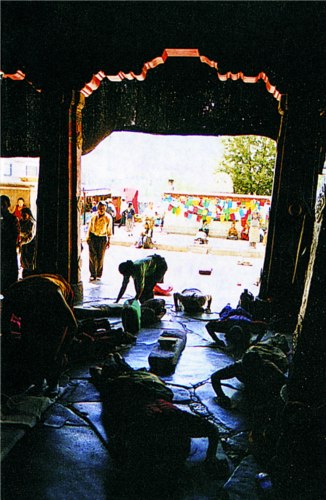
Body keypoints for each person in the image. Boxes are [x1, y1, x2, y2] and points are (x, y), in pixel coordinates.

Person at [90, 354, 228, 494]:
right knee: (108, 375)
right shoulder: (150, 428)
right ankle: (114, 360)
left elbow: (211, 430)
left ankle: (115, 360)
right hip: (136, 386)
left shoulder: (174, 421)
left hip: (144, 384)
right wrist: (210, 458)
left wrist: (211, 457)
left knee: (114, 374)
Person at [1, 273, 78, 395]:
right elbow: (4, 325)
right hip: (35, 303)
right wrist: (11, 341)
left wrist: (62, 351)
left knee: (52, 351)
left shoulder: (53, 294)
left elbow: (72, 324)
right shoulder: (11, 297)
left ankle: (53, 384)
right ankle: (38, 383)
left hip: (55, 298)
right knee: (32, 348)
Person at [86, 201, 112, 281]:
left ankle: (98, 274)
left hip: (102, 238)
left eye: (103, 208)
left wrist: (109, 241)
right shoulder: (93, 216)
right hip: (93, 237)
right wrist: (87, 237)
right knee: (92, 256)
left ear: (105, 209)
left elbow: (109, 230)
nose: (101, 210)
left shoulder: (108, 218)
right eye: (100, 208)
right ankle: (92, 274)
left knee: (100, 257)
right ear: (97, 208)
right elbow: (89, 227)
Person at [0, 195, 20, 293]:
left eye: (3, 205)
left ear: (8, 205)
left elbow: (15, 235)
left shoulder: (13, 219)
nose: (1, 207)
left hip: (8, 252)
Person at [19, 207, 36, 277]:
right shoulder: (21, 222)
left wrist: (22, 242)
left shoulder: (32, 223)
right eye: (22, 215)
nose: (23, 217)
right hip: (23, 245)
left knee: (29, 262)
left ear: (28, 214)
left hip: (30, 245)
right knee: (24, 262)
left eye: (24, 215)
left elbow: (30, 236)